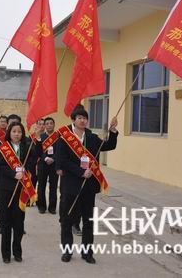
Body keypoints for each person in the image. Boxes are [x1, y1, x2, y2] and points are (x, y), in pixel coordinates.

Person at [57, 104, 118, 264]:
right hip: (70, 185)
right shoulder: (65, 138)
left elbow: (108, 146)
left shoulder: (91, 137)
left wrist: (112, 131)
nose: (83, 120)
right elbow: (62, 160)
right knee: (67, 219)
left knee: (88, 220)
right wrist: (79, 171)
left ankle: (87, 253)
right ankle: (67, 251)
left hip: (88, 187)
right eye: (80, 118)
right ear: (73, 120)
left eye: (85, 118)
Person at [0, 121, 41, 263]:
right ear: (9, 133)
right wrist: (13, 174)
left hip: (21, 189)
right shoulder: (3, 148)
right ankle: (5, 253)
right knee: (5, 222)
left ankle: (17, 252)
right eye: (14, 131)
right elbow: (0, 166)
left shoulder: (26, 147)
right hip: (6, 189)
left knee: (18, 222)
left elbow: (35, 158)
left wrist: (38, 139)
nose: (17, 134)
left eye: (19, 132)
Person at [37, 117, 60, 214]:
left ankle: (52, 207)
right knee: (41, 186)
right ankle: (41, 206)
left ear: (54, 125)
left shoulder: (59, 136)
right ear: (44, 126)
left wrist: (53, 158)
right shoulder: (40, 137)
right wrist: (45, 158)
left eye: (51, 123)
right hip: (43, 164)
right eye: (47, 123)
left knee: (53, 187)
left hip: (54, 165)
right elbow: (38, 150)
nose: (49, 125)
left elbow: (60, 150)